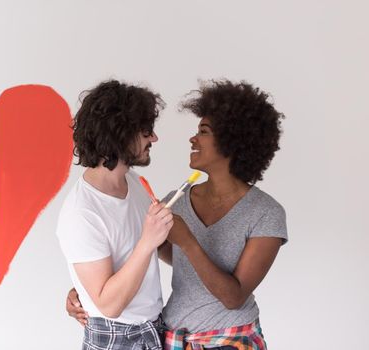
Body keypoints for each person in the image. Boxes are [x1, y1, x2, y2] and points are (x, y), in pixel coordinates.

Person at [67, 79, 287, 350]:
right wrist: (84, 292)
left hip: (230, 340)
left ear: (233, 140)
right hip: (169, 338)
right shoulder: (178, 200)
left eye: (203, 131)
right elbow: (142, 250)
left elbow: (234, 297)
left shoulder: (266, 213)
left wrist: (187, 242)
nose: (193, 138)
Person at [56, 79, 173, 350]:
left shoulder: (134, 182)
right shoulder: (81, 212)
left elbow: (148, 251)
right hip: (116, 340)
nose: (153, 138)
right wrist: (147, 242)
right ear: (119, 134)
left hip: (153, 329)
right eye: (146, 131)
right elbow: (109, 304)